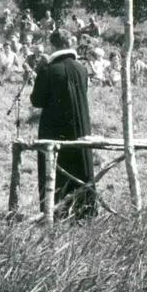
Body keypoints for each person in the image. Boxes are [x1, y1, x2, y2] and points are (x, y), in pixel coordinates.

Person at [30, 29, 96, 221]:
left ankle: (54, 211)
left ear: (53, 46)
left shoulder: (48, 69)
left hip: (55, 129)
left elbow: (37, 101)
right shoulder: (81, 68)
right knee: (79, 167)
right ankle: (85, 211)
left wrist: (40, 72)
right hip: (79, 127)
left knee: (55, 169)